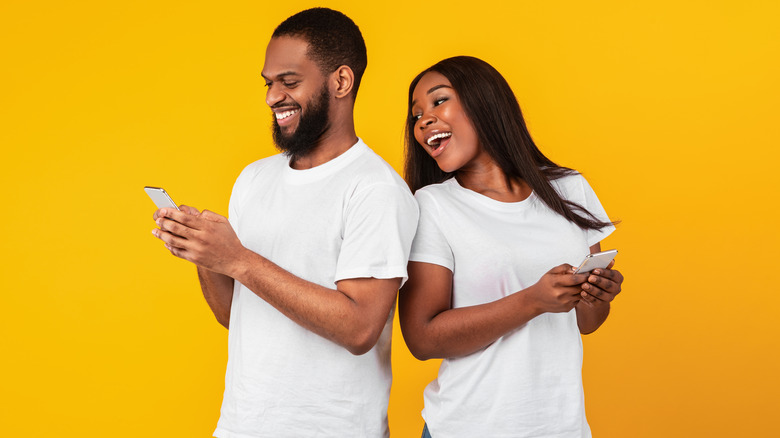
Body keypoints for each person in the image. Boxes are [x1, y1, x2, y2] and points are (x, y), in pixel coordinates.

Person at [151, 8, 418, 437]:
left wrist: (237, 260)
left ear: (341, 82)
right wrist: (203, 253)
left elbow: (360, 328)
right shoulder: (253, 178)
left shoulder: (375, 189)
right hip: (240, 426)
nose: (272, 96)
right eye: (268, 83)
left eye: (289, 82)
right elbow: (235, 315)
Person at [398, 56, 625, 438]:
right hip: (466, 427)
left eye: (439, 101)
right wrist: (533, 300)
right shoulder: (431, 205)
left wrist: (596, 295)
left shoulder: (569, 188)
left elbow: (587, 324)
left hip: (562, 427)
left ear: (484, 101)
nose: (423, 120)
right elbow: (422, 337)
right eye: (416, 114)